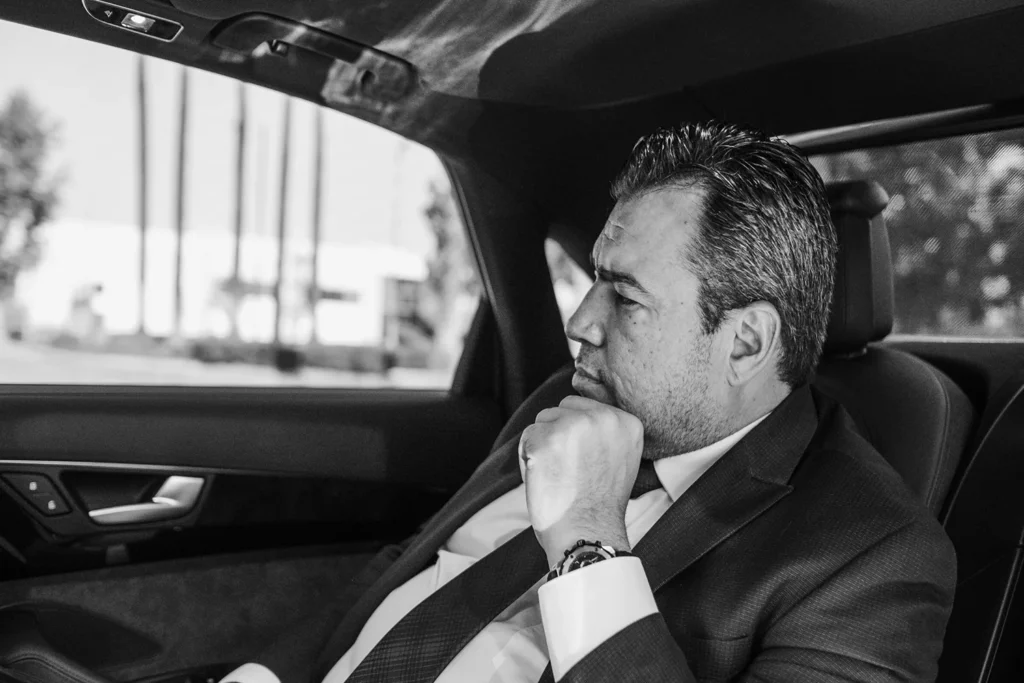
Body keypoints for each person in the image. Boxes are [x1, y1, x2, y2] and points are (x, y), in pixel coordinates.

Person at [225, 121, 956, 682]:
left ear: (745, 342)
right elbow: (411, 565)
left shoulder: (872, 559)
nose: (581, 321)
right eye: (593, 278)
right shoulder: (563, 400)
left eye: (626, 296)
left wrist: (587, 540)